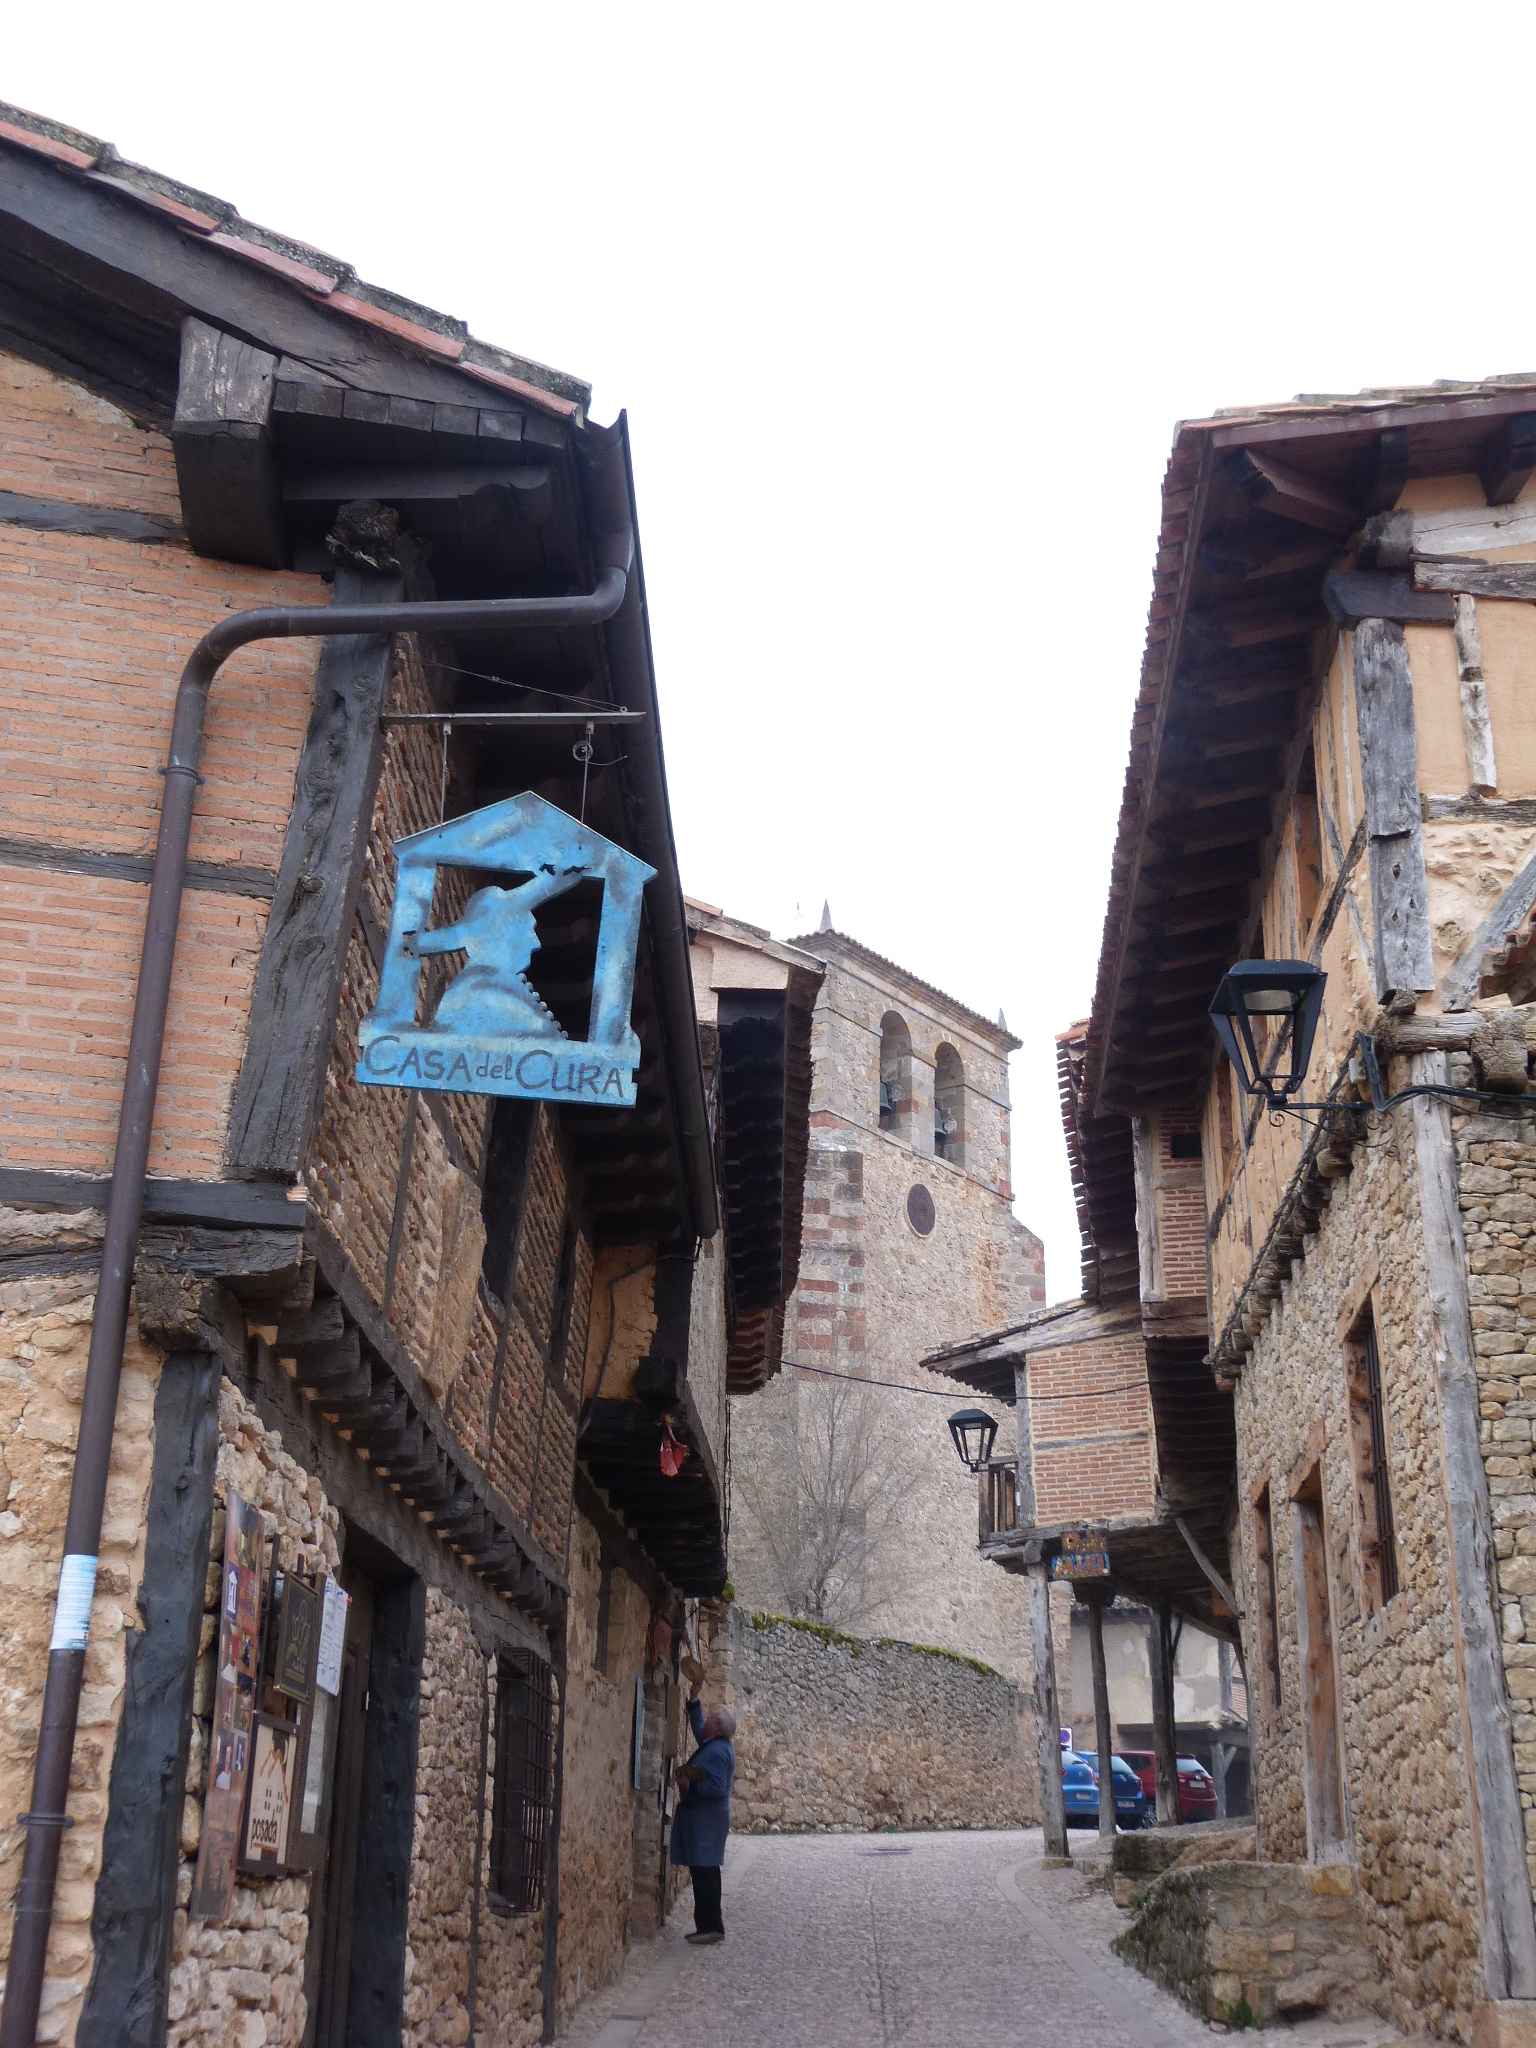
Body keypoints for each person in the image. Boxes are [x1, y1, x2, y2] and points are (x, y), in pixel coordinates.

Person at [670, 1677, 736, 1945]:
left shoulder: (718, 1752)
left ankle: (711, 1926)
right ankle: (708, 1926)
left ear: (717, 1728)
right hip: (705, 1820)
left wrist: (689, 1786)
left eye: (710, 1718)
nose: (705, 1720)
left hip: (707, 1821)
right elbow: (700, 1729)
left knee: (705, 1873)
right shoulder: (714, 1744)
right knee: (703, 1870)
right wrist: (694, 1698)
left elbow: (718, 1787)